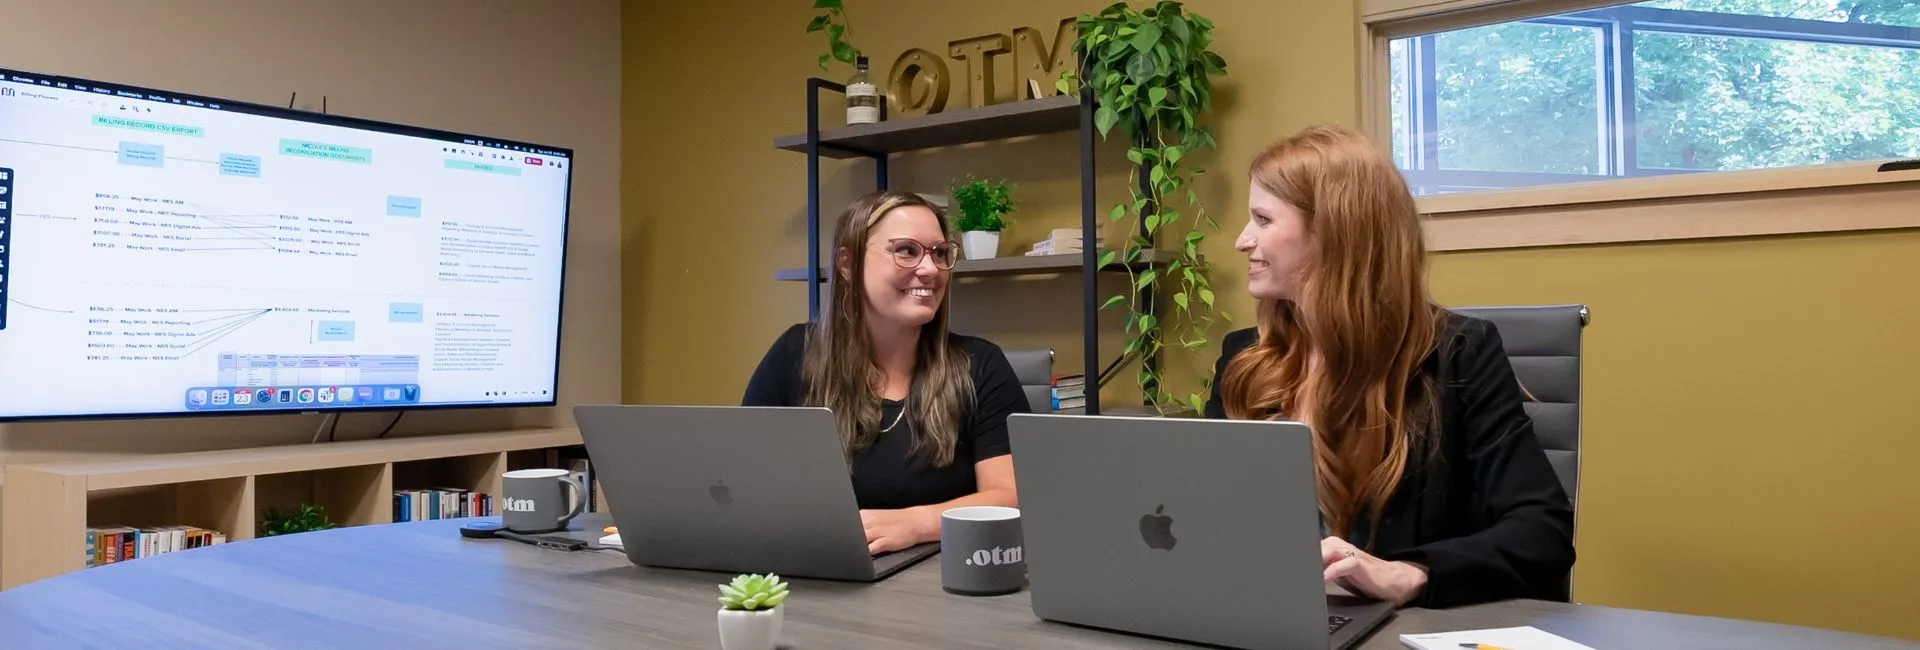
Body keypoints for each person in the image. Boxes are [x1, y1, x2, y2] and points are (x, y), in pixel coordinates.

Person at [1203, 125, 1575, 609]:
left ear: (1334, 231)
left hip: (1394, 627)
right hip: (1264, 614)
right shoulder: (1244, 359)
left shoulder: (1458, 354)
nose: (1241, 240)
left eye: (1262, 219)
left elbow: (1541, 532)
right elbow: (1202, 514)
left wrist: (1409, 574)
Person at [742, 190, 1030, 556]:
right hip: (819, 572)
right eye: (907, 250)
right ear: (847, 263)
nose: (929, 269)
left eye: (940, 253)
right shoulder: (795, 355)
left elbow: (1011, 497)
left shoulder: (980, 365)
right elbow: (744, 484)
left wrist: (915, 524)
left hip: (941, 582)